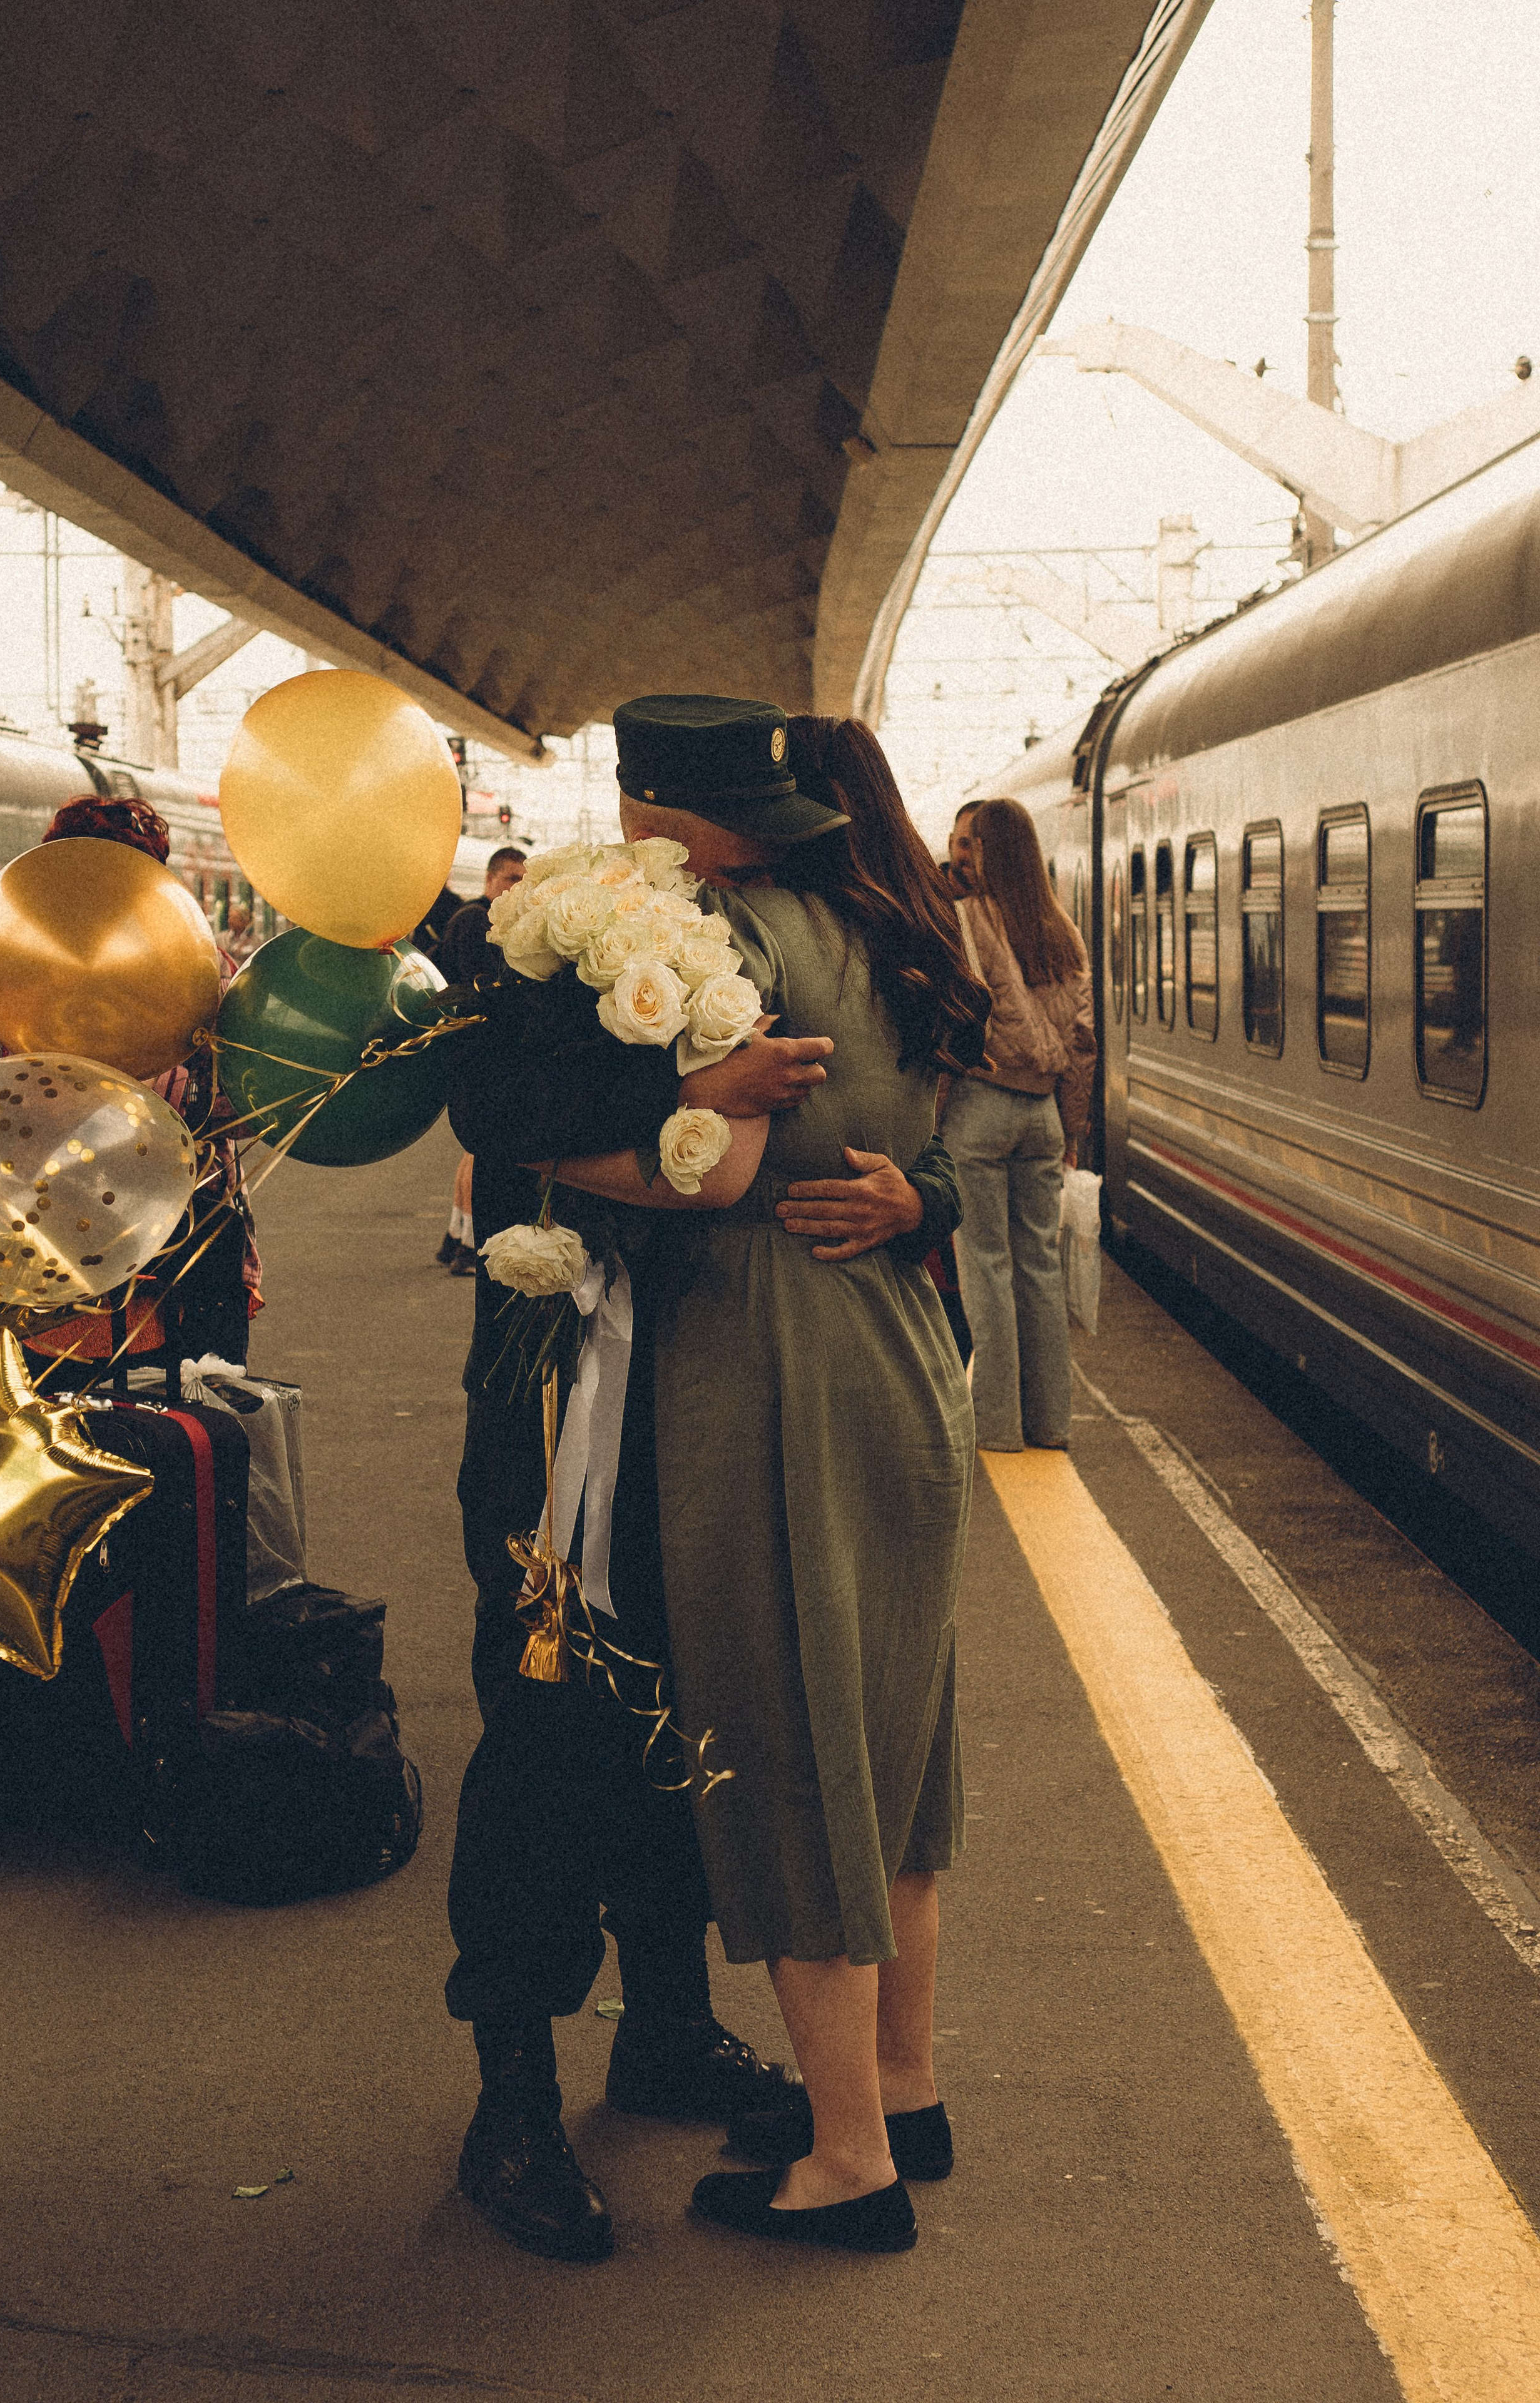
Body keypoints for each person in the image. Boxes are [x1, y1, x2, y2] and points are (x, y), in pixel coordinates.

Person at [442, 701, 966, 2265]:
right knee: (828, 1742)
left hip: (739, 1388)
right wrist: (898, 1182)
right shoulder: (882, 926)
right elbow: (909, 1139)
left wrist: (696, 1120)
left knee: (734, 1734)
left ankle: (806, 2125)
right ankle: (841, 2084)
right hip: (816, 1376)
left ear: (658, 808)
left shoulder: (690, 935)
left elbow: (707, 1163)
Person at [0, 795, 261, 1366]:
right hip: (111, 1248)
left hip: (126, 1251)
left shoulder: (200, 967)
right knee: (193, 1403)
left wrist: (148, 1103)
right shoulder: (15, 966)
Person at [942, 796, 1096, 1453]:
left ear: (988, 852)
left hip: (982, 1107)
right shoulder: (1060, 927)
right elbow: (1084, 1042)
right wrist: (1073, 1128)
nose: (956, 855)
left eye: (967, 844)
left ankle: (997, 1427)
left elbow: (955, 1019)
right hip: (1044, 1116)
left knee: (986, 1267)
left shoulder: (967, 920)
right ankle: (1050, 1424)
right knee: (1040, 1268)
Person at [434, 848, 528, 1274]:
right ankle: (470, 1244)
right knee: (484, 1149)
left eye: (524, 879)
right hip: (478, 1047)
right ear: (491, 881)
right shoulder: (477, 920)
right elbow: (483, 987)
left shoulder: (476, 918)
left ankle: (456, 1236)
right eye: (511, 879)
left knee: (472, 1152)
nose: (518, 887)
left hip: (468, 1045)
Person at [944, 801, 979, 896]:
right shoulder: (926, 897)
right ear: (951, 844)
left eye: (982, 847)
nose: (974, 857)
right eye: (966, 844)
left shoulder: (1007, 899)